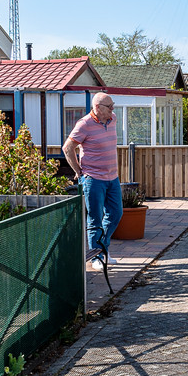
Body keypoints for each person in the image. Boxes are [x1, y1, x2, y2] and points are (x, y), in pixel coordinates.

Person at [63, 92, 122, 272]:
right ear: (97, 108)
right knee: (95, 218)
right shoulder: (84, 125)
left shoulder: (113, 119)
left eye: (113, 105)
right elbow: (67, 148)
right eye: (109, 106)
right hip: (93, 179)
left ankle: (102, 248)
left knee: (115, 214)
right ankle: (96, 256)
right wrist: (79, 172)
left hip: (113, 177)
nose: (113, 109)